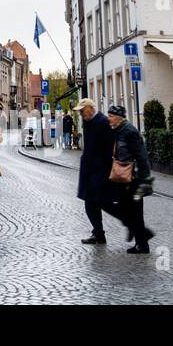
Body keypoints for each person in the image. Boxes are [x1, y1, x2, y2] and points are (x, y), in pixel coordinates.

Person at [103, 104, 155, 254]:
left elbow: (141, 156)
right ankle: (141, 235)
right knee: (123, 208)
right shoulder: (118, 131)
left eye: (111, 116)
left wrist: (141, 179)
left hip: (133, 180)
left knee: (136, 212)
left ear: (119, 118)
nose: (109, 119)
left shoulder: (130, 132)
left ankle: (142, 243)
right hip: (123, 178)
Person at [74, 98, 112, 244]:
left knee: (108, 205)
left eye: (82, 111)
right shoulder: (88, 122)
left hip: (100, 171)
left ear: (90, 108)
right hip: (89, 171)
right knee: (90, 204)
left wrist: (104, 171)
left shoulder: (102, 122)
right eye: (80, 112)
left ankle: (137, 229)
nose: (81, 114)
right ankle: (98, 233)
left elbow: (108, 148)